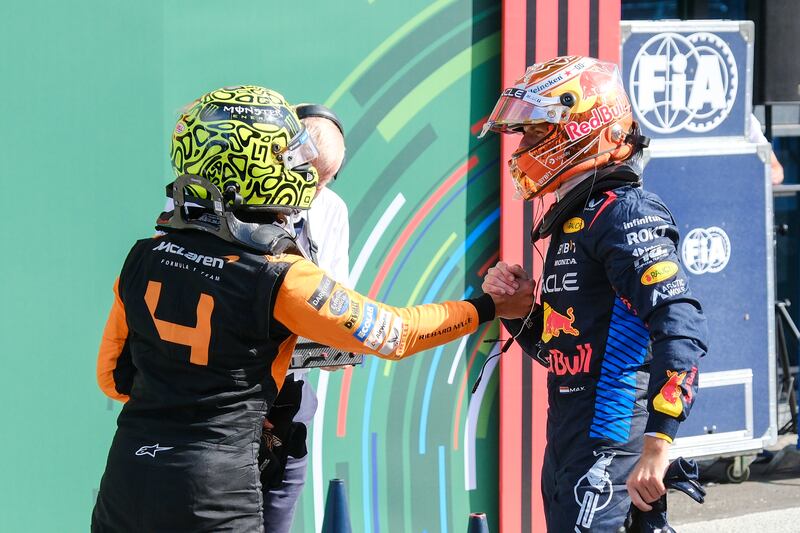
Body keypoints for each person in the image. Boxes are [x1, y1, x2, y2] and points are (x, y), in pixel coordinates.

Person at [91, 85, 533, 532]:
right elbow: (394, 334)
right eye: (291, 157)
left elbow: (113, 378)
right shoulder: (281, 276)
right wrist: (488, 306)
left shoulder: (143, 255)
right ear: (259, 166)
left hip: (127, 477)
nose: (301, 170)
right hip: (212, 489)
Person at [479, 56, 708, 532]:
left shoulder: (624, 213)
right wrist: (521, 310)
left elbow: (679, 324)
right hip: (570, 441)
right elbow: (565, 352)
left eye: (535, 132)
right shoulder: (577, 219)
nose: (523, 146)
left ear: (587, 125)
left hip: (613, 446)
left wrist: (658, 444)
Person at [260, 103, 350, 533]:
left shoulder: (330, 210)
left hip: (289, 396)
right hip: (232, 394)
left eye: (325, 181)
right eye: (310, 178)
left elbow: (337, 302)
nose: (314, 192)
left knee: (278, 511)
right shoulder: (231, 203)